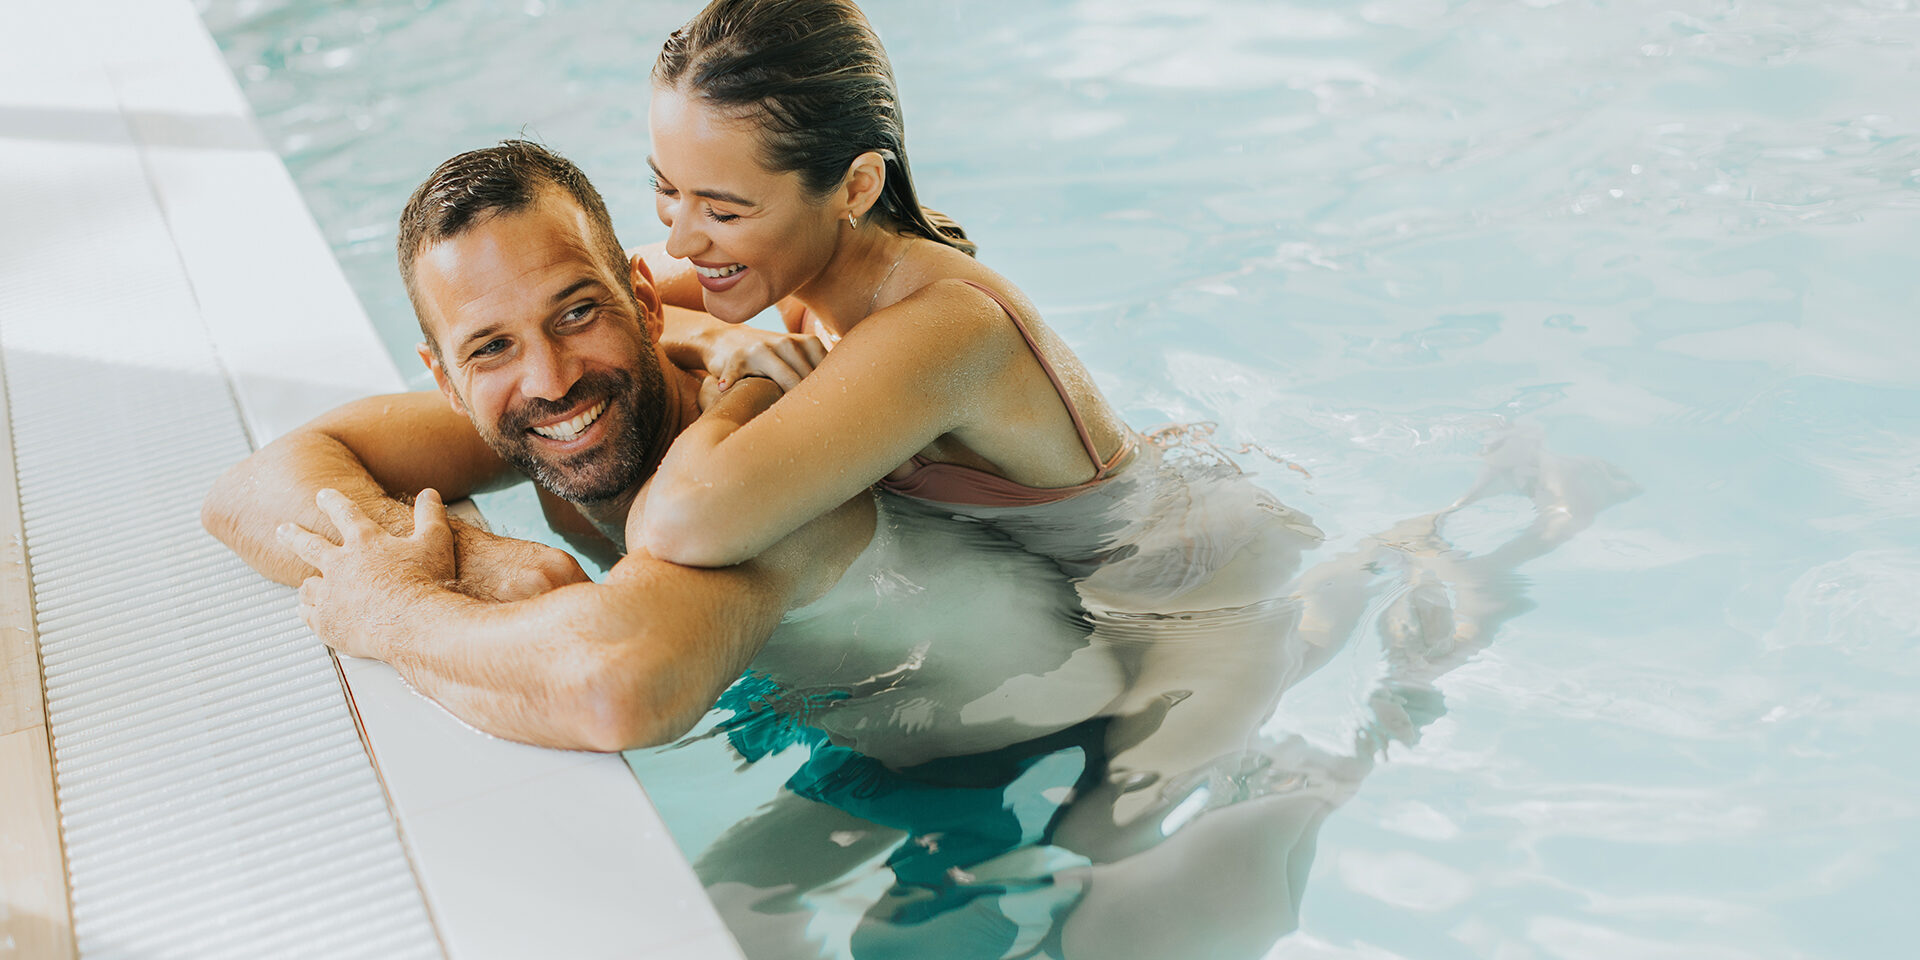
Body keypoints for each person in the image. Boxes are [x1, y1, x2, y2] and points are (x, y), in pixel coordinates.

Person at [202, 139, 885, 752]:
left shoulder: (755, 451)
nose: (551, 380)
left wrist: (394, 612)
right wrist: (478, 561)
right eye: (492, 346)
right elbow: (248, 489)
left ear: (645, 303)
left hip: (957, 761)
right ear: (445, 378)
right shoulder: (543, 428)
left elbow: (616, 690)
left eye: (577, 312)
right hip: (821, 725)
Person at [628, 0, 1140, 569]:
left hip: (1175, 590)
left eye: (723, 213)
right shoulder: (804, 266)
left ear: (856, 188)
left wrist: (739, 397)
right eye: (667, 188)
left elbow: (684, 523)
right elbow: (592, 293)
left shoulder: (944, 329)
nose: (679, 242)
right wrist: (720, 342)